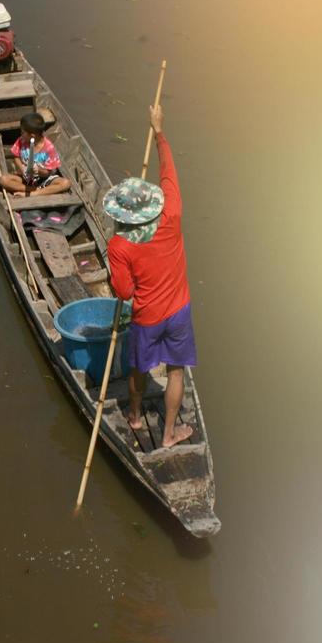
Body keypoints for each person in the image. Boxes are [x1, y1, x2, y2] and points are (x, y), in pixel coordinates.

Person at [103, 104, 196, 448]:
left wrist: (116, 275)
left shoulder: (119, 245)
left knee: (138, 370)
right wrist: (159, 131)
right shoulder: (171, 214)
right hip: (179, 311)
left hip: (147, 317)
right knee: (176, 371)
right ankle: (170, 434)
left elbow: (124, 293)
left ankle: (135, 416)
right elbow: (169, 173)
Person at [0, 112, 71, 196]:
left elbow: (48, 172)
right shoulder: (22, 141)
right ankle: (34, 190)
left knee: (66, 183)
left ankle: (33, 193)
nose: (21, 134)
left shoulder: (49, 148)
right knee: (3, 180)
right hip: (26, 179)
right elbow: (16, 156)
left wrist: (38, 170)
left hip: (44, 179)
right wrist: (22, 168)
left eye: (23, 132)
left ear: (32, 136)